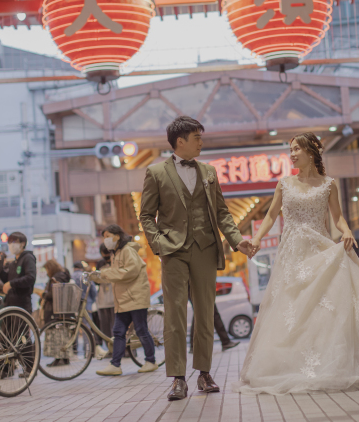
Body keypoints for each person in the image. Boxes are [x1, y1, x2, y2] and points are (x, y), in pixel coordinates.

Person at [235, 133, 359, 395]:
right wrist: (254, 240)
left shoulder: (329, 184)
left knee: (325, 305)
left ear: (311, 151)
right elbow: (270, 217)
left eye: (296, 148)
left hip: (320, 250)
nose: (292, 153)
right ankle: (293, 365)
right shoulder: (284, 184)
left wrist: (346, 231)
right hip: (292, 254)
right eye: (290, 149)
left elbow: (339, 218)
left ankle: (331, 361)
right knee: (294, 307)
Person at [140, 116, 254, 400]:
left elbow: (223, 213)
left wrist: (238, 241)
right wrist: (159, 243)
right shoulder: (156, 172)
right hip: (173, 252)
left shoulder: (209, 171)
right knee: (175, 313)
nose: (202, 143)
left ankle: (204, 373)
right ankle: (178, 378)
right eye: (197, 138)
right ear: (181, 141)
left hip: (205, 248)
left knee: (205, 312)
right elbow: (145, 215)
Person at [95, 224, 158, 376]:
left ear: (117, 236)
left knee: (141, 330)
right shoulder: (116, 253)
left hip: (134, 297)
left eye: (107, 236)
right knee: (118, 331)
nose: (105, 240)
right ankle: (115, 365)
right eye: (104, 237)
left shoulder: (127, 250)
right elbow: (116, 275)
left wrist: (105, 273)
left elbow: (130, 271)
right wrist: (98, 276)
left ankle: (151, 361)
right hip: (124, 300)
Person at [0, 232, 37, 314]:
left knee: (19, 327)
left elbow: (30, 278)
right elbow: (7, 280)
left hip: (22, 304)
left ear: (22, 244)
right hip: (10, 303)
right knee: (6, 327)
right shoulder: (13, 262)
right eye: (10, 242)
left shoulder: (28, 258)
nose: (11, 245)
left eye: (14, 242)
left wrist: (11, 283)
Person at [94, 244, 115, 358]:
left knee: (117, 326)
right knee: (105, 328)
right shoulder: (100, 263)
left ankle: (123, 349)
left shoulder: (115, 260)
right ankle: (111, 350)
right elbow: (97, 281)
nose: (106, 256)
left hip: (114, 299)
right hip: (102, 300)